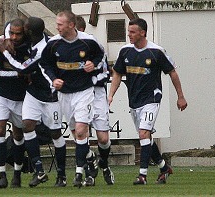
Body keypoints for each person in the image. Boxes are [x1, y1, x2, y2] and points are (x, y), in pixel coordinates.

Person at [108, 18, 187, 185]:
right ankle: (164, 167)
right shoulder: (125, 51)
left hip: (152, 99)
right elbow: (117, 73)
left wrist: (180, 96)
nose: (129, 35)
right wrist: (111, 95)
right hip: (134, 101)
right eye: (128, 32)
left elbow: (172, 72)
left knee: (143, 133)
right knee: (146, 137)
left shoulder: (156, 52)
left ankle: (142, 175)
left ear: (142, 33)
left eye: (132, 32)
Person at [0, 16, 68, 187]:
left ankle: (61, 174)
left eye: (25, 30)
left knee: (55, 133)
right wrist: (6, 40)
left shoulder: (44, 48)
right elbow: (12, 35)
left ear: (31, 32)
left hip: (50, 95)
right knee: (27, 125)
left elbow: (23, 68)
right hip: (33, 93)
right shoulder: (31, 40)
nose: (21, 33)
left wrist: (5, 52)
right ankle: (39, 171)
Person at [40, 10, 105, 187]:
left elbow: (101, 56)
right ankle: (90, 158)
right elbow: (44, 64)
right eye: (57, 24)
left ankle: (78, 173)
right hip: (64, 94)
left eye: (60, 24)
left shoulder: (88, 41)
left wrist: (94, 64)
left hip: (84, 91)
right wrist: (54, 79)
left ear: (71, 25)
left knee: (82, 129)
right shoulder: (53, 44)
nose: (57, 27)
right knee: (77, 135)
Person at [0, 18, 30, 189]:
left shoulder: (30, 46)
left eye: (18, 34)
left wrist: (23, 72)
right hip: (1, 93)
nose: (14, 37)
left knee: (18, 135)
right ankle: (1, 174)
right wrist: (19, 74)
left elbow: (30, 69)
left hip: (21, 96)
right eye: (11, 33)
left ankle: (17, 174)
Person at [75, 15, 115, 186]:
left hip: (96, 93)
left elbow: (107, 73)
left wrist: (91, 75)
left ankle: (104, 164)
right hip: (77, 94)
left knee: (103, 139)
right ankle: (90, 167)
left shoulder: (94, 46)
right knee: (80, 134)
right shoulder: (64, 49)